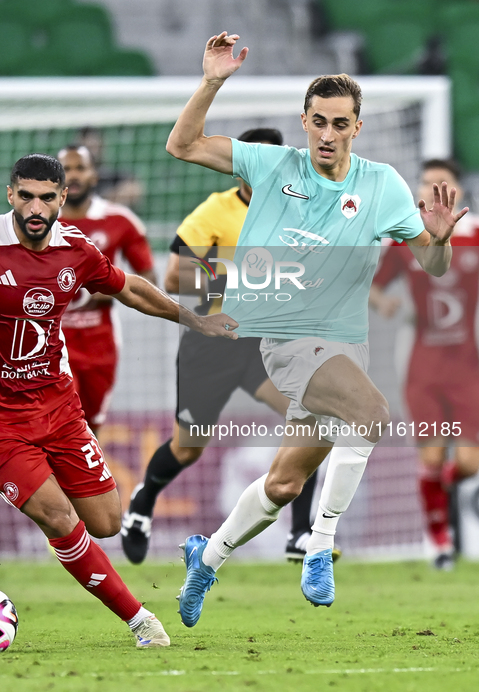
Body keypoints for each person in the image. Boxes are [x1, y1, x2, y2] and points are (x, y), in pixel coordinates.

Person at [165, 32, 466, 626]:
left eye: (340, 123)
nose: (327, 134)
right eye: (318, 121)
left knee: (282, 485)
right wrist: (212, 81)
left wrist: (440, 236)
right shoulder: (273, 164)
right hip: (286, 338)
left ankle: (207, 558)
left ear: (358, 127)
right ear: (304, 121)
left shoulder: (382, 186)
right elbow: (183, 144)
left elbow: (432, 266)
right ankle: (320, 547)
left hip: (344, 346)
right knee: (373, 416)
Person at [0, 153, 236, 646]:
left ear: (62, 199)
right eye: (27, 196)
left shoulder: (77, 249)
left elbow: (131, 289)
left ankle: (54, 512)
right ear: (11, 195)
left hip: (58, 407)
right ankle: (141, 621)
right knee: (59, 516)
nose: (36, 207)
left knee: (105, 523)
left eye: (47, 197)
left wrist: (197, 319)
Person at [121, 127, 336, 566]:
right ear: (241, 165)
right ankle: (143, 503)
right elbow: (173, 278)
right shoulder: (215, 211)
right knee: (188, 447)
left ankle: (299, 534)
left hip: (268, 343)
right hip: (212, 343)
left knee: (312, 421)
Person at [370, 159, 479, 570]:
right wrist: (385, 302)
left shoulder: (475, 237)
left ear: (458, 193)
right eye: (427, 183)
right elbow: (374, 288)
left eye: (442, 183)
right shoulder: (405, 242)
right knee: (431, 455)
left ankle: (436, 491)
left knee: (468, 462)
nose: (434, 190)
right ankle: (439, 543)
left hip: (468, 364)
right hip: (421, 363)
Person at [58, 145, 156, 432]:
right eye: (66, 169)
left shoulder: (120, 221)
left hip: (100, 344)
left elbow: (149, 281)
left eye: (80, 168)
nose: (73, 176)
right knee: (63, 423)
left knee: (90, 428)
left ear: (94, 176)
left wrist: (109, 290)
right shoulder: (40, 222)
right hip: (52, 342)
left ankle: (84, 478)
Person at [76, 127, 144, 209]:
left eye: (94, 139)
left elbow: (134, 190)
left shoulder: (111, 175)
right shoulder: (71, 178)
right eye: (86, 139)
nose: (90, 142)